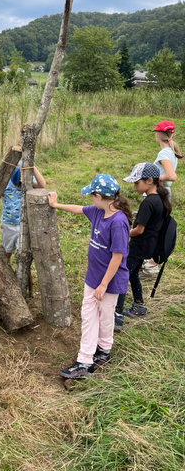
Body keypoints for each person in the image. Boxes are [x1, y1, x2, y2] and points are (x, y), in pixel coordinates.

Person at [48, 174, 132, 379]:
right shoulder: (98, 211)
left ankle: (96, 355)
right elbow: (79, 209)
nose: (90, 200)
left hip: (108, 282)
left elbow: (117, 257)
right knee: (89, 315)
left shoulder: (118, 222)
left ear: (99, 196)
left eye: (91, 196)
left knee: (105, 314)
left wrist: (103, 285)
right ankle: (90, 355)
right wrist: (55, 205)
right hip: (93, 277)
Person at [115, 163, 171, 328]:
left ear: (149, 181)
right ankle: (139, 305)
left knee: (122, 277)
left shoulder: (148, 202)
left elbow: (139, 230)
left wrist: (121, 235)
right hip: (148, 246)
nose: (134, 186)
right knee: (132, 275)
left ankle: (116, 315)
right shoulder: (159, 199)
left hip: (138, 247)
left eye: (136, 182)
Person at [141, 120, 183, 277]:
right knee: (155, 227)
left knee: (150, 228)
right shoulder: (171, 152)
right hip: (163, 194)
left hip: (158, 194)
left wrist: (154, 178)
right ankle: (150, 262)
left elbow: (171, 176)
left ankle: (149, 266)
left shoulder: (164, 153)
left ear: (157, 135)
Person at [1, 161, 46, 262]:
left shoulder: (28, 181)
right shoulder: (4, 183)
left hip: (25, 224)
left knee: (23, 253)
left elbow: (42, 184)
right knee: (7, 251)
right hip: (8, 223)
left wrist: (32, 167)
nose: (19, 185)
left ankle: (23, 275)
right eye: (17, 183)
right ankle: (7, 272)